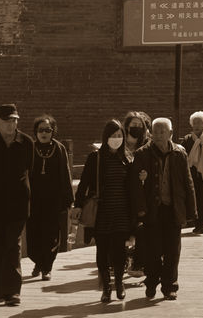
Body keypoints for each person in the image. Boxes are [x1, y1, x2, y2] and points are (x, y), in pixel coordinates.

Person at [129, 117, 196, 302]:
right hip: (152, 211)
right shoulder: (142, 154)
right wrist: (140, 208)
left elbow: (188, 183)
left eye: (162, 131)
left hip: (173, 209)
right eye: (155, 131)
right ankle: (152, 281)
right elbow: (135, 184)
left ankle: (170, 287)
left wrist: (191, 210)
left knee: (173, 251)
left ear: (171, 134)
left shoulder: (180, 153)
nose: (158, 135)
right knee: (153, 251)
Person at [0, 102, 33, 308]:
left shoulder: (27, 142)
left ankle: (13, 292)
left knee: (12, 245)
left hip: (19, 203)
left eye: (15, 121)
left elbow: (31, 169)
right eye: (8, 121)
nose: (12, 125)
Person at [74, 119, 134, 303]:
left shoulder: (128, 158)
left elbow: (133, 187)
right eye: (112, 136)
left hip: (122, 211)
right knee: (102, 250)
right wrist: (78, 205)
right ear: (105, 137)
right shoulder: (96, 158)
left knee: (119, 251)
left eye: (119, 136)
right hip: (102, 211)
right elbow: (84, 183)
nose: (116, 139)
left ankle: (119, 284)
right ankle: (106, 287)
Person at [26, 114, 73, 282]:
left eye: (47, 130)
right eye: (40, 130)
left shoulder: (59, 149)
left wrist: (68, 199)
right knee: (33, 235)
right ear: (35, 132)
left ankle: (47, 267)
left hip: (53, 200)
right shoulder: (30, 148)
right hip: (34, 200)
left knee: (52, 235)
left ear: (53, 131)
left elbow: (65, 174)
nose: (44, 133)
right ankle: (38, 261)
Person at [122, 112, 151, 278]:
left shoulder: (147, 148)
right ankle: (120, 260)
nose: (136, 129)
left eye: (140, 126)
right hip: (121, 195)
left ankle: (138, 261)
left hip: (140, 197)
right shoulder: (119, 144)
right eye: (133, 125)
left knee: (140, 229)